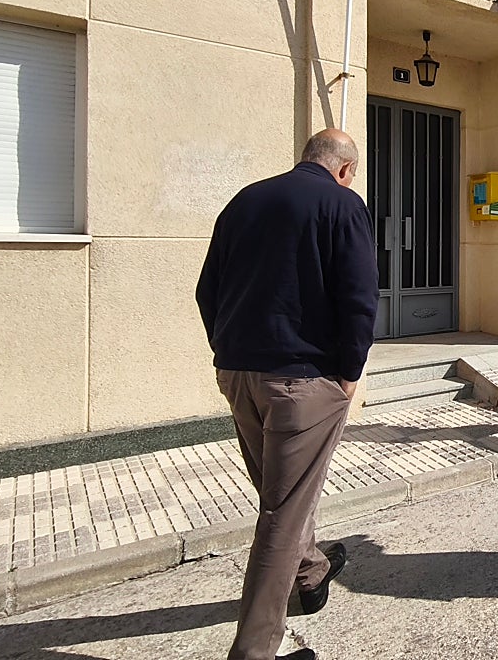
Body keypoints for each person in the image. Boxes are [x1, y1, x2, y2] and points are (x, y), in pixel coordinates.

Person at [196, 129, 378, 660]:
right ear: (344, 170)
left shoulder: (244, 201)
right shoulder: (343, 206)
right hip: (302, 381)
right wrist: (349, 374)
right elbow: (359, 296)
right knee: (281, 512)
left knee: (280, 497)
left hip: (238, 372)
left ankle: (312, 570)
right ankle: (254, 653)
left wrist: (228, 348)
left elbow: (208, 289)